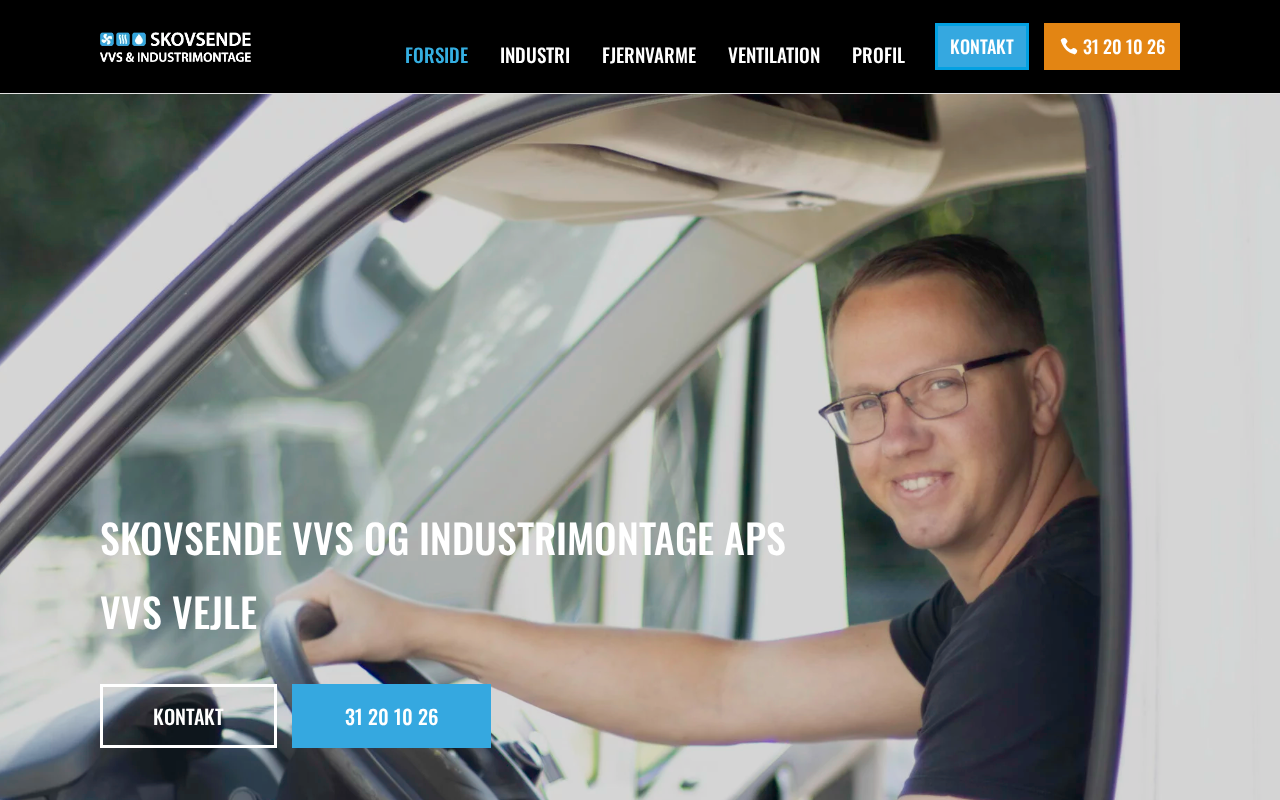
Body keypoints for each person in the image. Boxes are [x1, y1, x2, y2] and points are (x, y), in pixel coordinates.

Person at [278, 234, 1101, 800]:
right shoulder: (1033, 594)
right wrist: (414, 628)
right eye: (864, 403)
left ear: (1039, 389)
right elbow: (723, 690)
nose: (899, 436)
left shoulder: (1041, 622)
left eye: (938, 386)